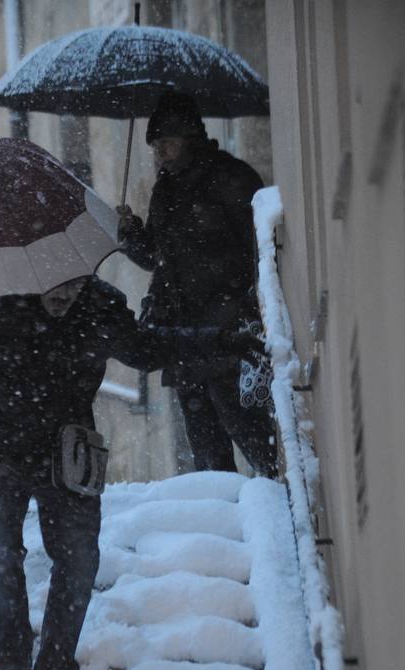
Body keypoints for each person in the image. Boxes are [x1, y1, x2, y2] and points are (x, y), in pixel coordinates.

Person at [0, 275, 259, 670]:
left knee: (77, 558)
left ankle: (56, 668)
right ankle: (11, 669)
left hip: (67, 452)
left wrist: (222, 339)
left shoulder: (98, 303)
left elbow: (146, 349)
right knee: (3, 552)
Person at [117, 91, 279, 478]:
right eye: (156, 146)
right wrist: (129, 234)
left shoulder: (232, 178)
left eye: (167, 144)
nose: (160, 154)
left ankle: (276, 506)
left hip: (230, 330)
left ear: (190, 137)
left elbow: (261, 249)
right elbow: (156, 256)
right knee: (205, 449)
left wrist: (248, 311)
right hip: (183, 334)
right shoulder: (165, 189)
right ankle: (222, 521)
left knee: (248, 431)